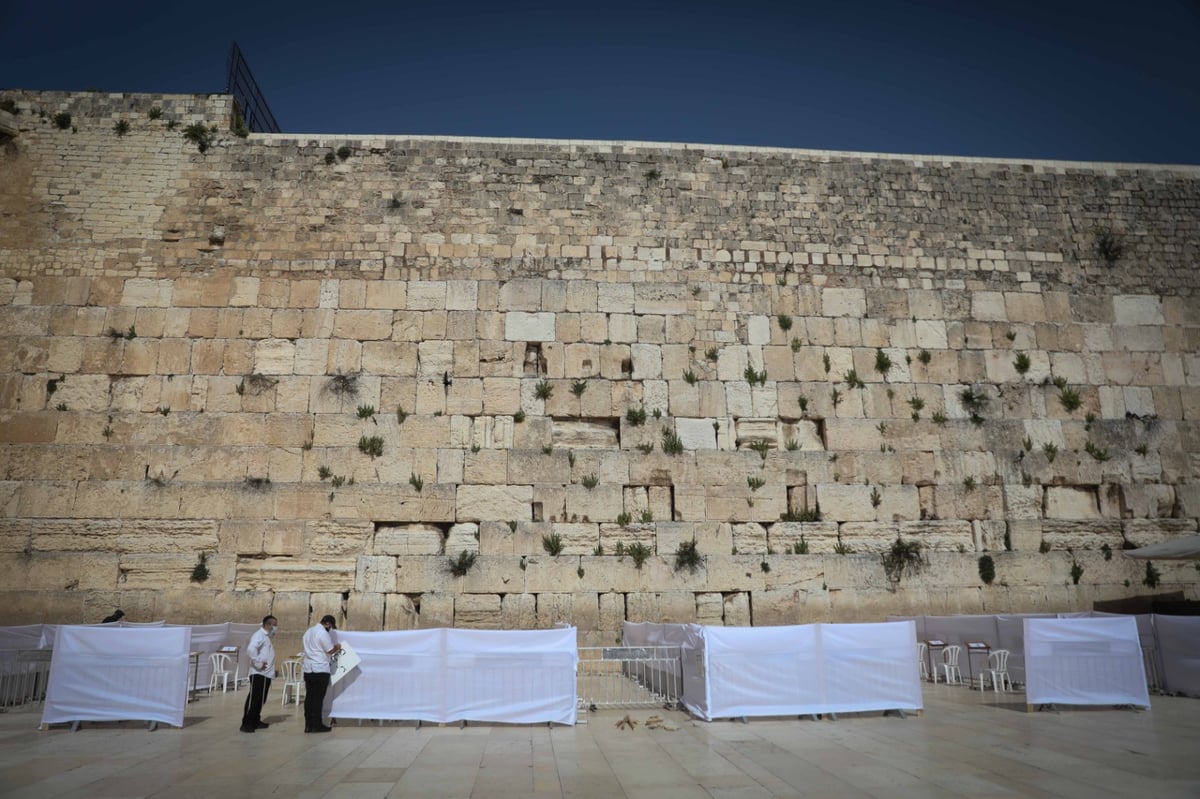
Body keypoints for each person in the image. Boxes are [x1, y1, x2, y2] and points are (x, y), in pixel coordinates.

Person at [301, 614, 341, 733]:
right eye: (331, 627)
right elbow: (330, 650)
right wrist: (338, 647)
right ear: (328, 624)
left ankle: (308, 724)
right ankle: (317, 725)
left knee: (309, 698)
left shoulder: (308, 631)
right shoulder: (322, 633)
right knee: (318, 699)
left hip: (308, 669)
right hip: (320, 669)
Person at [240, 614, 277, 733]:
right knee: (254, 698)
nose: (276, 628)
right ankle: (247, 723)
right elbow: (251, 650)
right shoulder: (259, 635)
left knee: (261, 699)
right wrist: (259, 663)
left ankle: (256, 720)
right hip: (258, 673)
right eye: (275, 625)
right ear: (268, 625)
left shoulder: (266, 637)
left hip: (265, 674)